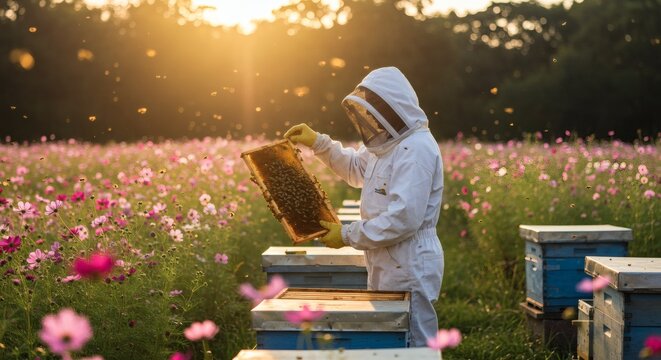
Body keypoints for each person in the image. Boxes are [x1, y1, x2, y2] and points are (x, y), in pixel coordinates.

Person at [283, 66, 444, 347]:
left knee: (414, 339)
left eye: (373, 110)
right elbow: (357, 169)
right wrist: (319, 143)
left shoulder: (416, 148)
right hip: (386, 254)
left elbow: (404, 219)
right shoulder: (387, 146)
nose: (369, 118)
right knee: (388, 335)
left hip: (409, 259)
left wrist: (346, 235)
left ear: (393, 108)